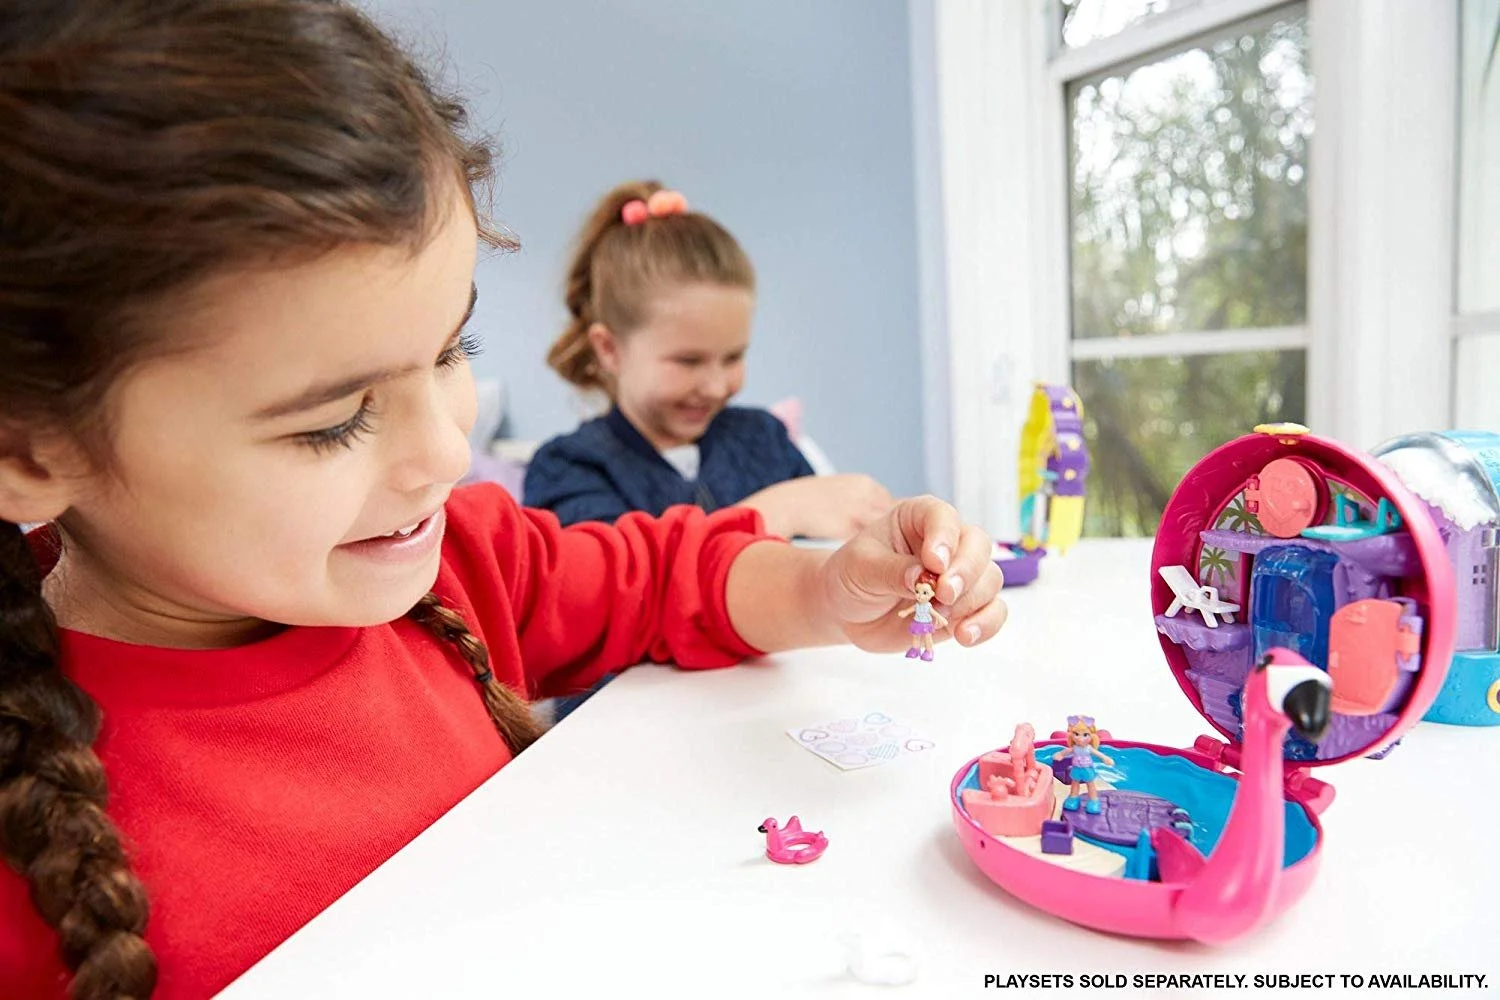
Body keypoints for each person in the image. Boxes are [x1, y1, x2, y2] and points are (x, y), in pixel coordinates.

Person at [0, 4, 1008, 998]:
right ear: (29, 450)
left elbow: (666, 574)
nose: (447, 451)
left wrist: (828, 588)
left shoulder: (463, 565)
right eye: (335, 419)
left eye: (454, 351)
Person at [524, 180, 895, 540]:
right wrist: (779, 511)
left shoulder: (765, 441)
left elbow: (826, 555)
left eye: (733, 357)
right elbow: (613, 578)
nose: (717, 387)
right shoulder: (570, 468)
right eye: (689, 361)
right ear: (609, 349)